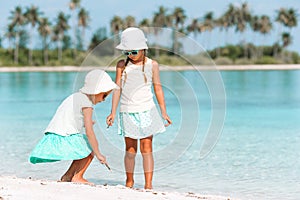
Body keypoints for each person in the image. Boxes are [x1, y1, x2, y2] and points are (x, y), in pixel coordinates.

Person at [106, 27, 172, 190]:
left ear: (143, 49)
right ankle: (129, 181)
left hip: (147, 110)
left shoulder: (152, 65)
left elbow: (157, 88)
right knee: (130, 149)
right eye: (126, 52)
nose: (130, 55)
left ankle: (148, 185)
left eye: (134, 52)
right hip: (127, 111)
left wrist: (163, 111)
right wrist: (113, 112)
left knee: (147, 148)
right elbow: (117, 88)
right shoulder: (122, 65)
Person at [29, 69, 118, 184]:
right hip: (64, 137)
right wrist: (98, 153)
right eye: (104, 95)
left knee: (82, 146)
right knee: (89, 147)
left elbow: (68, 117)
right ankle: (78, 177)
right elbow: (89, 133)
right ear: (97, 91)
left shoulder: (75, 96)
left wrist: (88, 123)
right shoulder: (87, 104)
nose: (104, 100)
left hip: (54, 135)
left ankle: (68, 176)